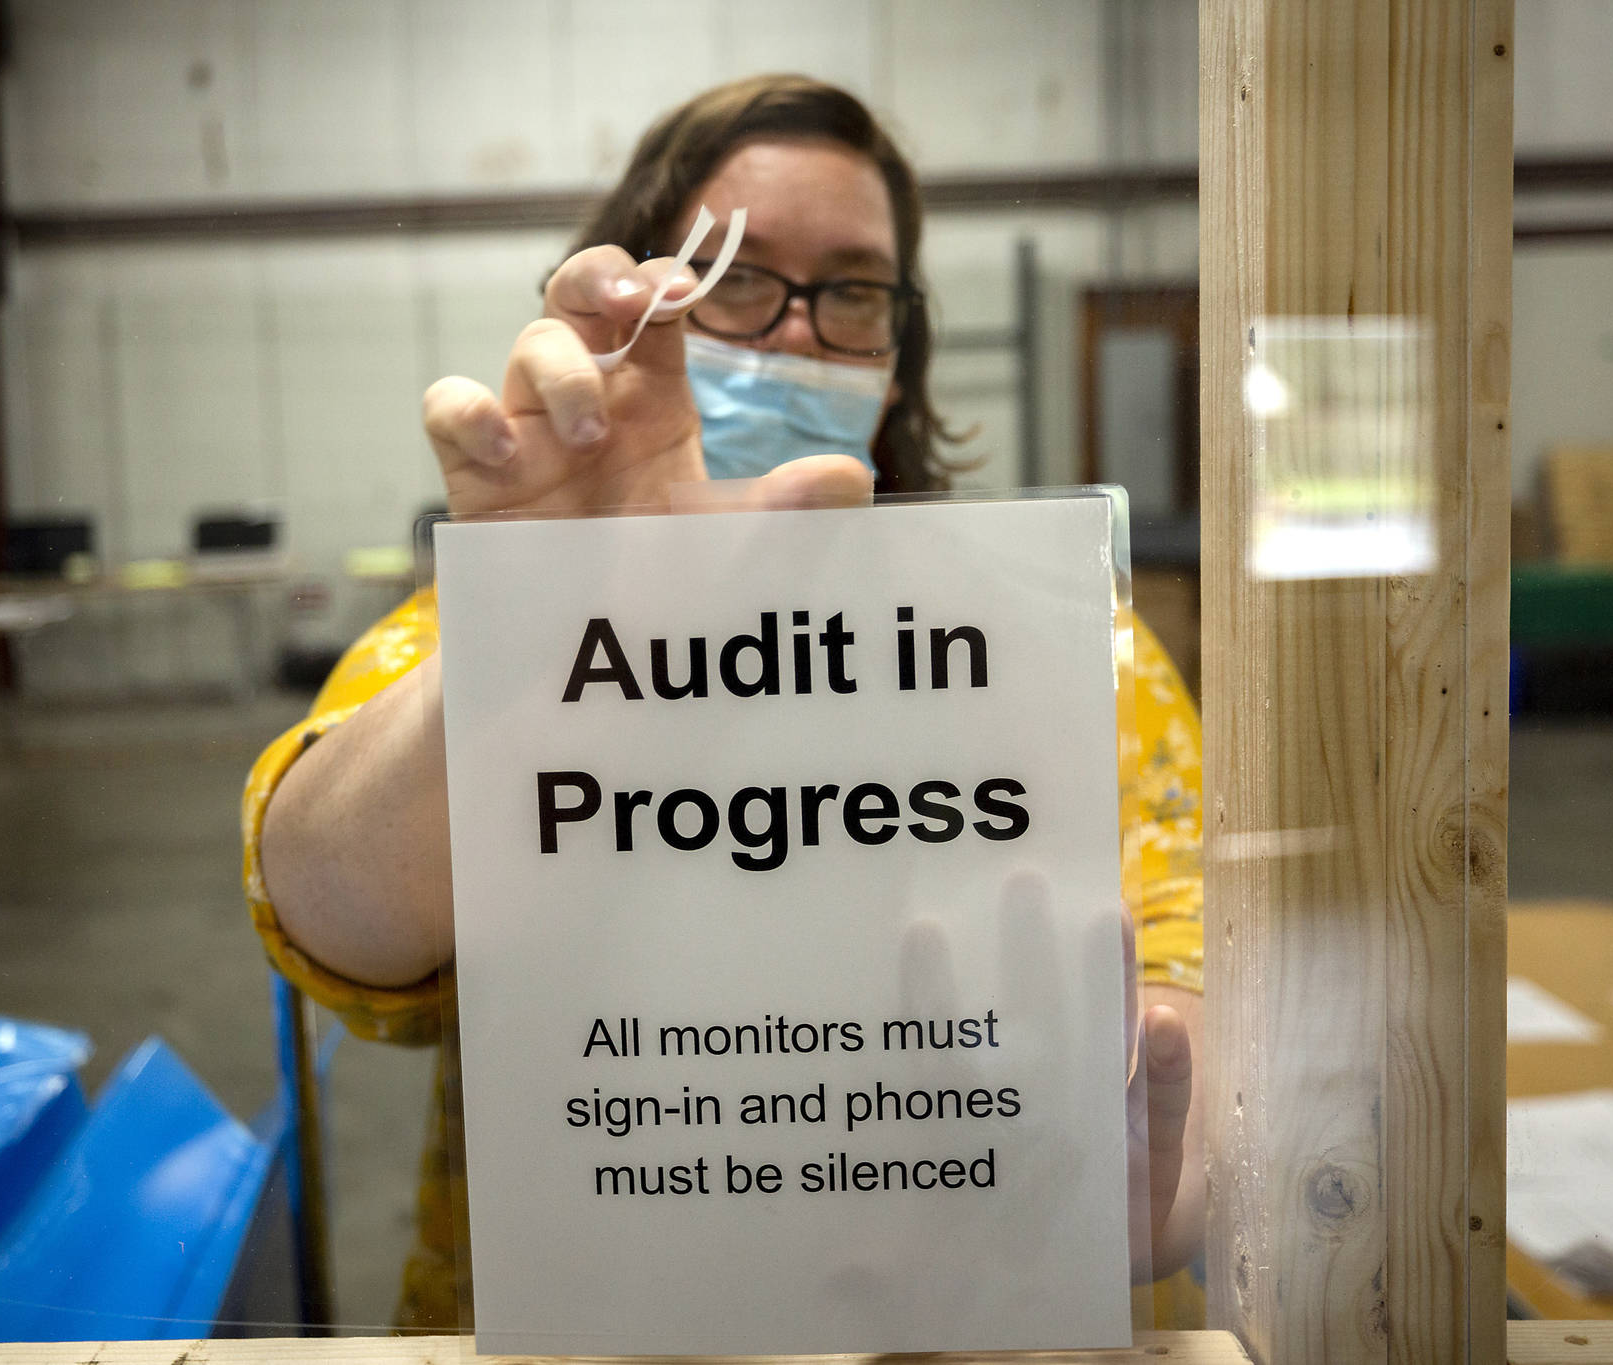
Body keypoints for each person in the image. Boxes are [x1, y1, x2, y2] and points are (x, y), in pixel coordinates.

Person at [243, 74, 1206, 1332]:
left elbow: (1193, 955)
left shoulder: (1063, 639)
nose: (798, 337)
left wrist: (1158, 1157)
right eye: (738, 280)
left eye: (853, 289)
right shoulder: (480, 632)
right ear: (645, 296)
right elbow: (331, 918)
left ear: (899, 343)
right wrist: (533, 653)